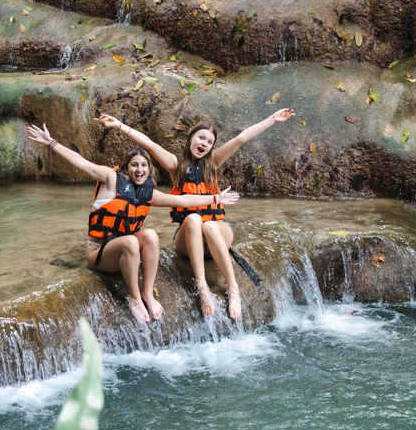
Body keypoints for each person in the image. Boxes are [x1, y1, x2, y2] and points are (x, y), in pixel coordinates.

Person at [27, 123, 241, 323]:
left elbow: (182, 200)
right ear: (126, 168)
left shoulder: (146, 193)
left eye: (144, 166)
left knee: (150, 235)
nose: (140, 170)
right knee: (130, 241)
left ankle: (147, 293)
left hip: (125, 248)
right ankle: (134, 297)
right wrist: (52, 143)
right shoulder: (110, 179)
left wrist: (215, 198)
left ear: (149, 170)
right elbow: (82, 163)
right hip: (100, 252)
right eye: (134, 165)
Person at [95, 108, 295, 320]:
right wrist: (119, 125)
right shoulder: (176, 166)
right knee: (193, 218)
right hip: (188, 239)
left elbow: (241, 138)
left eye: (209, 142)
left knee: (208, 225)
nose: (204, 144)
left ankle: (233, 288)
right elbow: (150, 145)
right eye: (201, 138)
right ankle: (202, 288)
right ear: (191, 138)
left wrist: (273, 119)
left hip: (218, 232)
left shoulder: (214, 162)